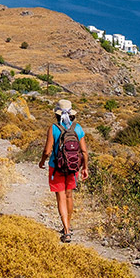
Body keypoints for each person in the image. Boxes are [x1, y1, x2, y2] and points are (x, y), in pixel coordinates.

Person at [38, 98, 88, 243]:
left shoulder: (53, 128)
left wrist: (42, 162)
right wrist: (85, 167)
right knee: (69, 196)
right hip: (73, 168)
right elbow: (84, 151)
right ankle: (69, 226)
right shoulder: (77, 128)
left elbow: (47, 151)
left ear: (57, 114)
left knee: (60, 197)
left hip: (57, 167)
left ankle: (66, 231)